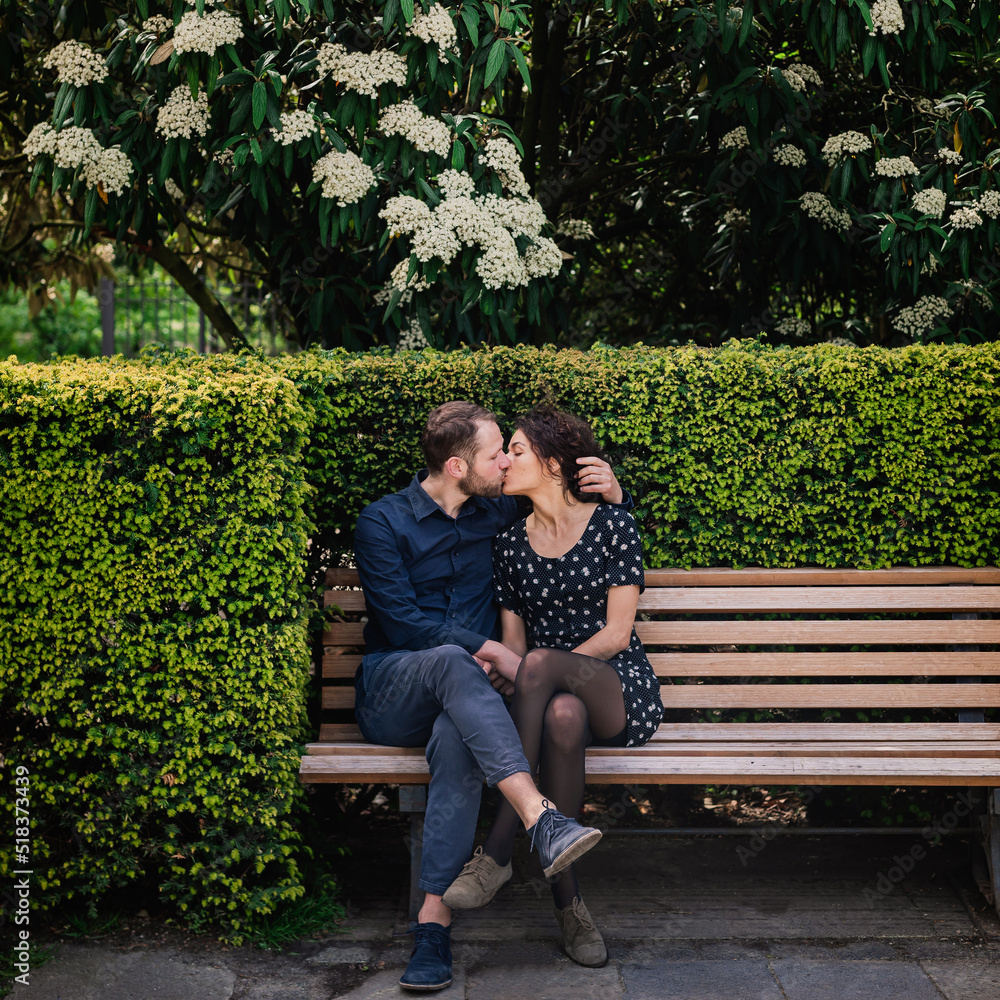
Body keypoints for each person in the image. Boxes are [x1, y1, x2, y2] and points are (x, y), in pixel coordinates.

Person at [352, 401, 631, 992]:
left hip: (466, 702)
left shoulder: (495, 510)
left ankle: (433, 925)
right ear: (457, 467)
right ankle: (539, 817)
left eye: (510, 450)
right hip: (393, 689)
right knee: (456, 662)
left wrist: (614, 489)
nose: (506, 461)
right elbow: (403, 625)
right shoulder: (381, 522)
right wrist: (499, 653)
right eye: (494, 453)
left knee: (459, 733)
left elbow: (565, 503)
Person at [441, 407, 663, 968]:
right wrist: (525, 670)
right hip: (553, 699)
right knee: (562, 715)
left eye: (516, 449)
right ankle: (570, 906)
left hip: (617, 686)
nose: (505, 460)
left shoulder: (614, 525)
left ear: (555, 462)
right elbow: (515, 648)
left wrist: (539, 667)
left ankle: (496, 849)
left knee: (546, 671)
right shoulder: (510, 544)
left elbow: (615, 635)